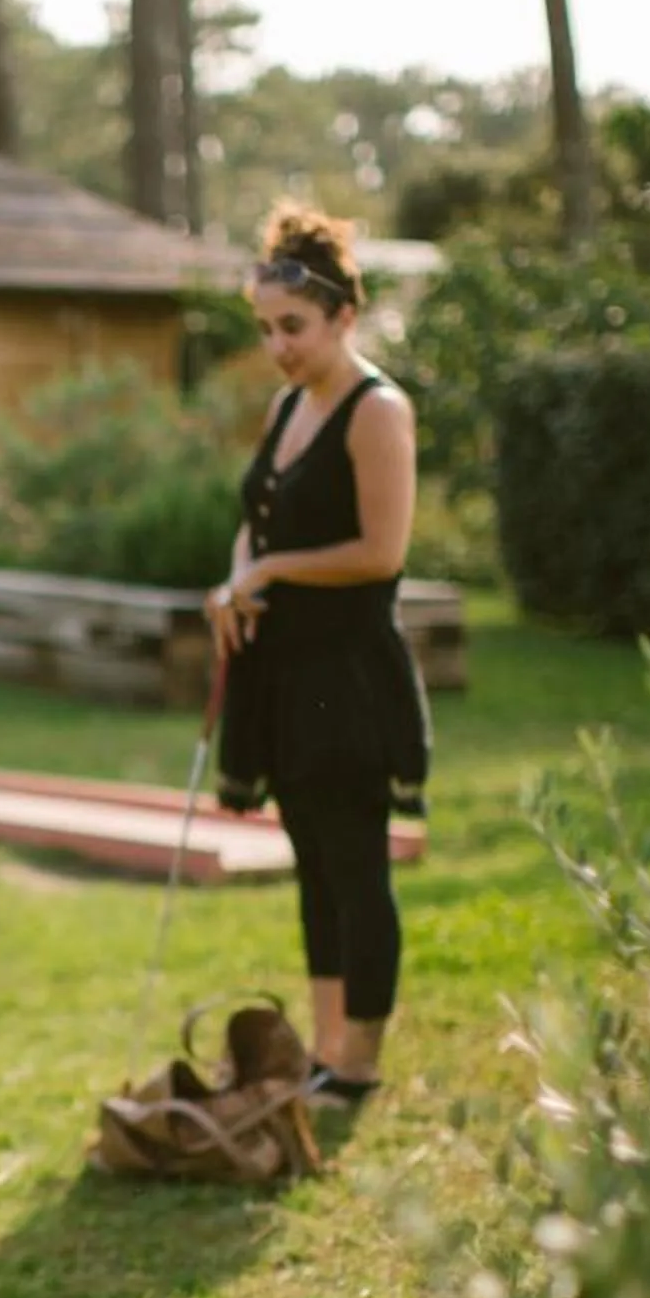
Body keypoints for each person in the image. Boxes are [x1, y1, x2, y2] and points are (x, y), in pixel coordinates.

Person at [203, 203, 429, 1107]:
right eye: (265, 329)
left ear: (344, 316)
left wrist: (271, 571)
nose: (278, 347)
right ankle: (325, 1049)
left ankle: (359, 1064)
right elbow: (257, 520)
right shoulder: (288, 407)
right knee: (312, 864)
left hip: (350, 676)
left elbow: (382, 552)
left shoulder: (379, 413)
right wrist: (235, 585)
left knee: (355, 867)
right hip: (288, 675)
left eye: (293, 327)